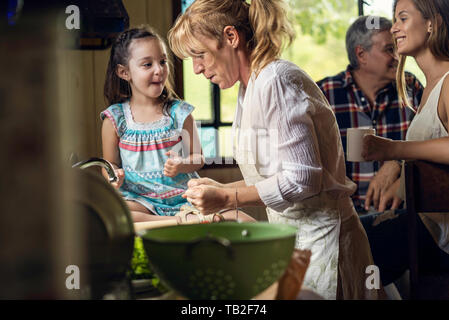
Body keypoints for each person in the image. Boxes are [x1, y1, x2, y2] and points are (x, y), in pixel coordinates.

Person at [168, 0, 381, 300]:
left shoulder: (276, 80)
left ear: (231, 37)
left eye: (199, 55)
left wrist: (227, 197)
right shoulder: (249, 86)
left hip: (325, 243)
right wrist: (221, 187)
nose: (198, 69)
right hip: (295, 242)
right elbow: (274, 175)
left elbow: (302, 179)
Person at [100, 26, 255, 224]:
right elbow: (108, 164)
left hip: (182, 199)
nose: (159, 70)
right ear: (124, 72)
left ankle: (180, 219)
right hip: (140, 201)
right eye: (147, 64)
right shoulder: (115, 118)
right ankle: (180, 222)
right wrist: (113, 175)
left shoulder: (179, 113)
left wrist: (182, 164)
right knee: (116, 214)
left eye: (163, 62)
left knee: (241, 219)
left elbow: (198, 158)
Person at [362, 0, 449, 289]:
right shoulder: (429, 89)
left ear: (431, 23)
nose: (394, 28)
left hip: (439, 238)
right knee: (344, 237)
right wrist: (398, 164)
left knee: (345, 246)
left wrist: (393, 150)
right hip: (421, 226)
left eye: (402, 18)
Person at [317, 15, 424, 214]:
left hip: (401, 213)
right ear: (361, 55)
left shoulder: (410, 86)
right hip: (344, 217)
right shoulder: (324, 93)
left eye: (396, 46)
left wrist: (398, 164)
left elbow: (433, 142)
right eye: (389, 49)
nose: (398, 56)